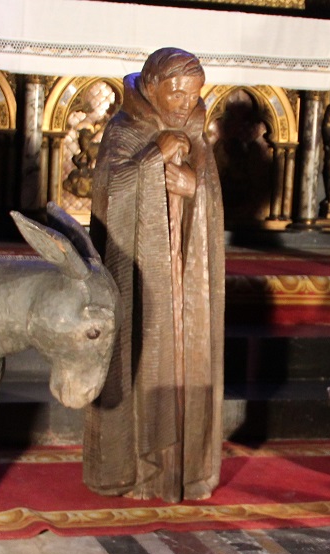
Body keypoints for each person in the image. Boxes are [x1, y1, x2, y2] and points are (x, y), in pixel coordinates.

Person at [86, 47, 225, 502]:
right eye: (176, 93)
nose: (185, 104)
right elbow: (109, 191)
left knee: (185, 354)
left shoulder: (197, 131)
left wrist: (194, 187)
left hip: (186, 277)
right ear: (150, 86)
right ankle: (139, 473)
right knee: (145, 352)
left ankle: (186, 471)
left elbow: (211, 196)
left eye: (193, 94)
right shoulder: (125, 130)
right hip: (142, 275)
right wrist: (150, 160)